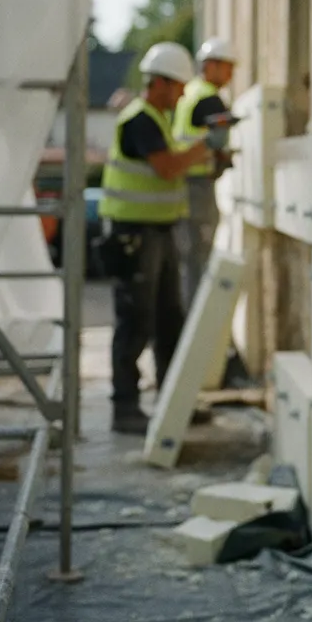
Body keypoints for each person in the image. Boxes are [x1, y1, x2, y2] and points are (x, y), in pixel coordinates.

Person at [99, 41, 227, 435]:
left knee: (169, 321)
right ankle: (125, 408)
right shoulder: (140, 120)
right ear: (160, 84)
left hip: (159, 233)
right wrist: (206, 144)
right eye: (180, 86)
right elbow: (168, 169)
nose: (185, 94)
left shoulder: (158, 118)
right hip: (135, 237)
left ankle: (175, 403)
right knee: (135, 323)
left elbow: (171, 165)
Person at [172, 36, 252, 388]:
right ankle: (201, 348)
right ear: (212, 65)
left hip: (185, 189)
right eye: (228, 67)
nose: (231, 75)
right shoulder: (207, 97)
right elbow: (214, 141)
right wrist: (222, 153)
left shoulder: (189, 93)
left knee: (191, 266)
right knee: (198, 268)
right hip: (197, 189)